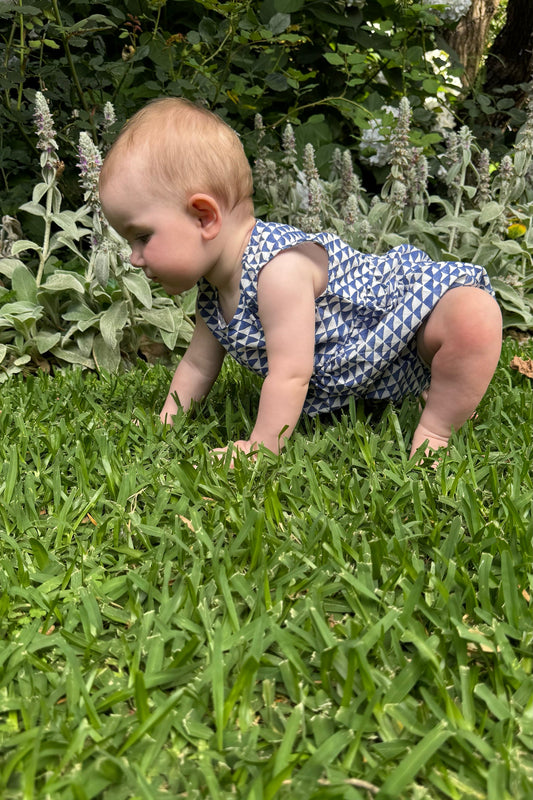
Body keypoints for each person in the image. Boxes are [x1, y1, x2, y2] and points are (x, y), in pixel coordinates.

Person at [99, 97, 502, 461]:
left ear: (205, 217)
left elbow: (291, 372)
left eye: (142, 237)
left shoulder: (278, 271)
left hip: (400, 325)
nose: (134, 258)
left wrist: (262, 445)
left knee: (472, 317)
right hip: (370, 369)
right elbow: (197, 367)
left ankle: (435, 429)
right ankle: (431, 392)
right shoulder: (213, 289)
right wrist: (165, 420)